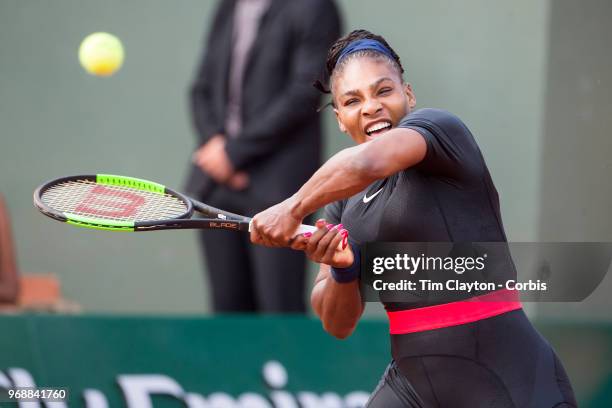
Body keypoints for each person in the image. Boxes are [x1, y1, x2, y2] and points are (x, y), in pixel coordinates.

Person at [249, 30, 577, 407]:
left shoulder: (439, 132)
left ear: (409, 94)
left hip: (509, 377)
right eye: (353, 100)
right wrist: (345, 269)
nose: (370, 107)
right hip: (413, 386)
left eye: (383, 91)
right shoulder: (342, 203)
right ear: (340, 118)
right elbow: (337, 324)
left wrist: (291, 208)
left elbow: (370, 161)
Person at [185, 0, 341, 313]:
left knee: (278, 307)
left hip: (279, 189)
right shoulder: (228, 8)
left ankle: (284, 365)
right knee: (227, 310)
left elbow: (306, 91)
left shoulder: (315, 7)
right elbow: (201, 89)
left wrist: (233, 155)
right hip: (216, 186)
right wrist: (217, 148)